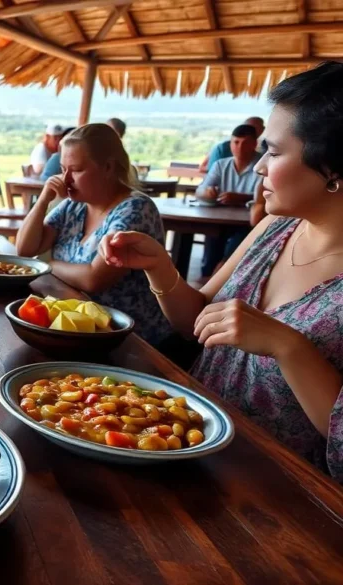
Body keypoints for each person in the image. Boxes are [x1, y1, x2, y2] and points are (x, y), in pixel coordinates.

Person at [98, 62, 343, 482]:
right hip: (185, 451)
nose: (261, 166)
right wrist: (160, 267)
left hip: (273, 497)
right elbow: (199, 322)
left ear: (334, 169)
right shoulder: (275, 227)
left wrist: (289, 347)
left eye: (276, 151)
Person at [15, 124, 172, 346]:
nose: (66, 179)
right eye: (63, 169)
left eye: (76, 170)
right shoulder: (75, 205)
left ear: (107, 168)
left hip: (131, 340)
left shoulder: (136, 209)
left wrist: (47, 264)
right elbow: (25, 249)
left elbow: (93, 279)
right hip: (81, 328)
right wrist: (42, 201)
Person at [195, 124, 263, 277]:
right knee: (213, 238)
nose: (239, 147)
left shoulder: (261, 167)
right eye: (235, 142)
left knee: (236, 245)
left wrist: (242, 197)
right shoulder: (221, 164)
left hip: (248, 222)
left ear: (254, 144)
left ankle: (222, 274)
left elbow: (265, 198)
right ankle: (207, 276)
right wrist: (208, 192)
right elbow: (199, 191)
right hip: (220, 220)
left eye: (245, 143)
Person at [199, 116, 264, 172]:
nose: (248, 131)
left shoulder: (264, 147)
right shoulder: (223, 148)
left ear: (262, 130)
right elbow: (206, 169)